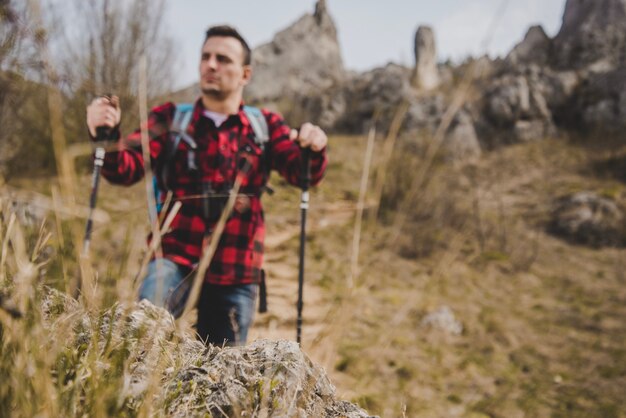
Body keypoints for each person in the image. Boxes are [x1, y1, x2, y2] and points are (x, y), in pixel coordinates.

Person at [86, 25, 328, 346]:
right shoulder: (171, 118)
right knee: (139, 342)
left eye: (223, 59)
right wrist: (106, 134)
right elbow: (125, 168)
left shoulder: (266, 126)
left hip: (237, 270)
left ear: (245, 74)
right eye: (205, 57)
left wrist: (314, 147)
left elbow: (302, 174)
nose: (210, 65)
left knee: (221, 376)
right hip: (172, 258)